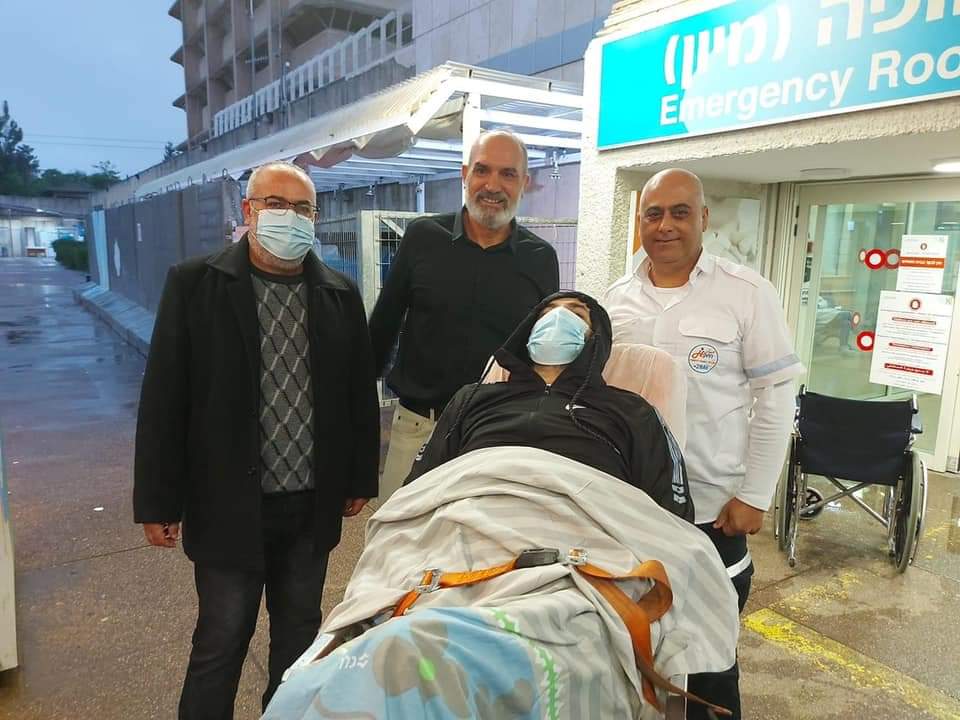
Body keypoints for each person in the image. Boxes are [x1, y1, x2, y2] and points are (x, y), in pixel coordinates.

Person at [133, 161, 380, 719]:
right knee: (221, 639)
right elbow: (165, 398)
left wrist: (359, 477)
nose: (288, 216)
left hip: (309, 506)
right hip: (226, 504)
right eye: (275, 204)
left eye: (302, 208)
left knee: (300, 637)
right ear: (248, 210)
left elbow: (358, 397)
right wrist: (158, 500)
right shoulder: (195, 285)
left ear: (315, 218)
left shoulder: (339, 293)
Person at [603, 168, 801, 719]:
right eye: (653, 213)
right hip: (633, 508)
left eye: (680, 212)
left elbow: (776, 396)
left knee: (710, 660)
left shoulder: (746, 293)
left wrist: (756, 494)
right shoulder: (617, 299)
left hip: (713, 510)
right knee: (636, 646)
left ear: (704, 218)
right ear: (640, 221)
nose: (665, 225)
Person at [369, 130, 560, 503]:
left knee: (486, 539)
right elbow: (381, 330)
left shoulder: (540, 258)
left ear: (524, 183)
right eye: (482, 170)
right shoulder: (422, 238)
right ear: (464, 175)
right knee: (397, 533)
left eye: (508, 174)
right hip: (417, 427)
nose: (493, 185)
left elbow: (543, 356)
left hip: (498, 435)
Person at [405, 291, 693, 521]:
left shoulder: (631, 410)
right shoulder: (473, 398)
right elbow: (423, 479)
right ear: (528, 332)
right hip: (473, 516)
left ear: (596, 338)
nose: (558, 318)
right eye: (546, 314)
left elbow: (670, 507)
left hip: (586, 530)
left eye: (576, 313)